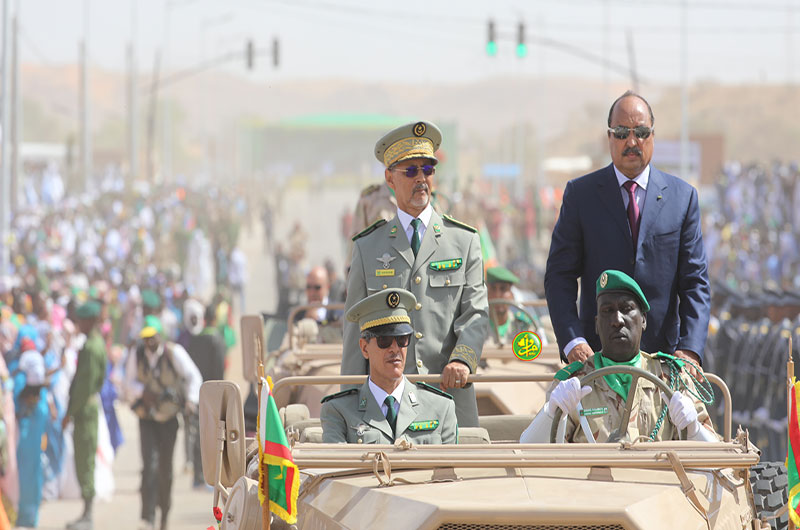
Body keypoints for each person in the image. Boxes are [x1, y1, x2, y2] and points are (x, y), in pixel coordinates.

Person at [544, 91, 711, 371]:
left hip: (664, 363)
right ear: (609, 137)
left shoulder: (682, 198)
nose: (632, 142)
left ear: (653, 136)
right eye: (622, 132)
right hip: (596, 363)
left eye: (641, 132)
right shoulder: (581, 195)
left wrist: (690, 350)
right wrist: (573, 341)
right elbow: (559, 275)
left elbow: (695, 282)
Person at [341, 120, 488, 427]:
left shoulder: (464, 241)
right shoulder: (368, 247)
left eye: (428, 170)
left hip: (449, 398)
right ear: (389, 178)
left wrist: (462, 358)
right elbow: (355, 333)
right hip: (386, 408)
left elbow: (475, 313)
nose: (421, 179)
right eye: (410, 171)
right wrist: (349, 409)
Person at [520, 270, 717, 443]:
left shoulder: (672, 379)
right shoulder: (573, 383)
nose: (617, 320)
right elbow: (529, 452)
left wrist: (693, 429)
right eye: (607, 311)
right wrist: (552, 412)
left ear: (643, 320)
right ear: (597, 324)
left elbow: (716, 457)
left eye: (626, 309)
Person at [322, 289, 457, 444]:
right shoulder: (339, 411)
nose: (395, 348)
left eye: (402, 339)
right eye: (384, 341)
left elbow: (449, 467)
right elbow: (341, 466)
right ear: (364, 348)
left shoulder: (441, 407)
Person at [123, 315, 202, 530]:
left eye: (152, 338)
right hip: (147, 418)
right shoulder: (136, 354)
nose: (149, 343)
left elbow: (194, 377)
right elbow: (128, 382)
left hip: (168, 419)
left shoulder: (174, 353)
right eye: (145, 338)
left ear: (160, 335)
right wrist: (143, 393)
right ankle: (147, 516)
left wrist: (191, 402)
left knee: (165, 469)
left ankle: (164, 514)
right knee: (149, 466)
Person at [62, 301, 108, 530]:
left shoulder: (91, 348)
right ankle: (86, 512)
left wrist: (68, 413)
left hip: (84, 410)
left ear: (90, 321)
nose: (78, 324)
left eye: (81, 320)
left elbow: (83, 386)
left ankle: (88, 515)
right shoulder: (96, 343)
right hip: (88, 407)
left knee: (85, 459)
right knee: (84, 458)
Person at [184, 305, 225, 488]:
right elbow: (219, 369)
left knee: (198, 433)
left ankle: (197, 476)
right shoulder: (216, 339)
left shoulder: (196, 339)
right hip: (212, 391)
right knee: (212, 434)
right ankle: (210, 476)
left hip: (197, 391)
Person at [485, 266, 533, 345]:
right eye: (493, 289)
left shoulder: (523, 325)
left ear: (512, 295)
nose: (497, 295)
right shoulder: (477, 326)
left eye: (503, 289)